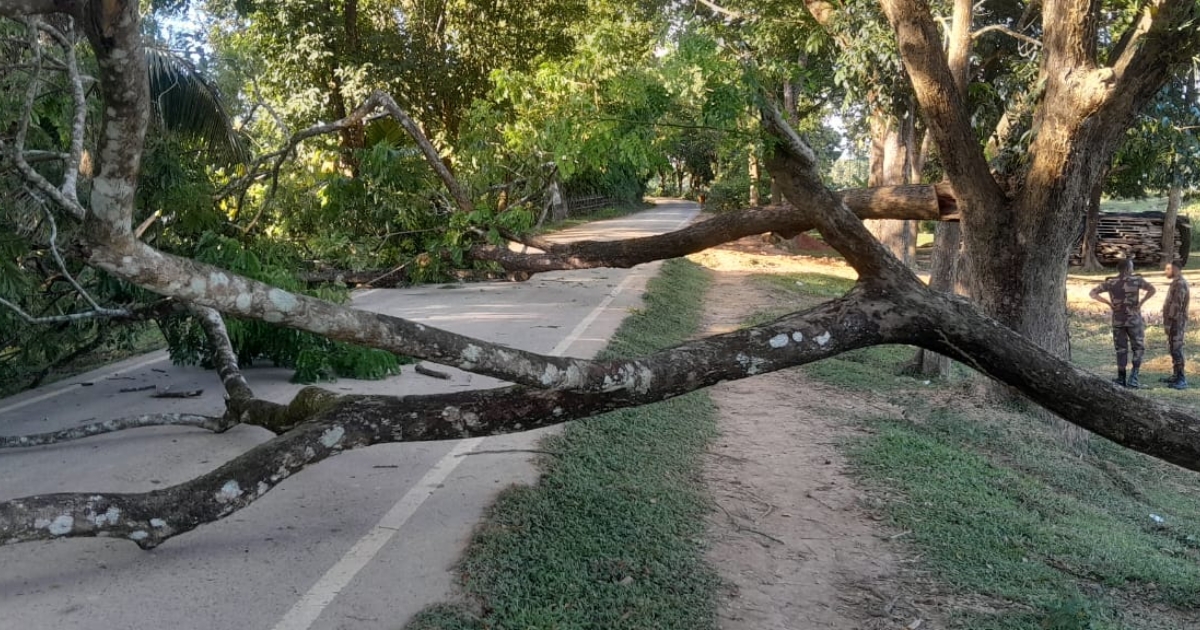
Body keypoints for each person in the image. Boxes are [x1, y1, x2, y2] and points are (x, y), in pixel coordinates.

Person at [1090, 258, 1155, 388]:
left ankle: (1121, 378)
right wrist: (1141, 303)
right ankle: (1134, 378)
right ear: (1127, 269)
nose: (1132, 270)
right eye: (1131, 267)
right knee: (1138, 348)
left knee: (1121, 349)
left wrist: (1109, 303)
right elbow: (1152, 290)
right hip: (1134, 320)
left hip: (1118, 320)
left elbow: (1093, 293)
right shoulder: (1137, 280)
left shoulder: (1110, 282)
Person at [1161, 261, 1190, 389]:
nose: (1165, 272)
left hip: (1176, 322)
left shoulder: (1180, 284)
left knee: (1176, 349)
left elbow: (1176, 305)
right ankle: (1175, 375)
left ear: (1175, 269)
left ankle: (1181, 378)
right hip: (1174, 321)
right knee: (1173, 348)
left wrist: (1169, 323)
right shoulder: (1176, 282)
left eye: (1168, 269)